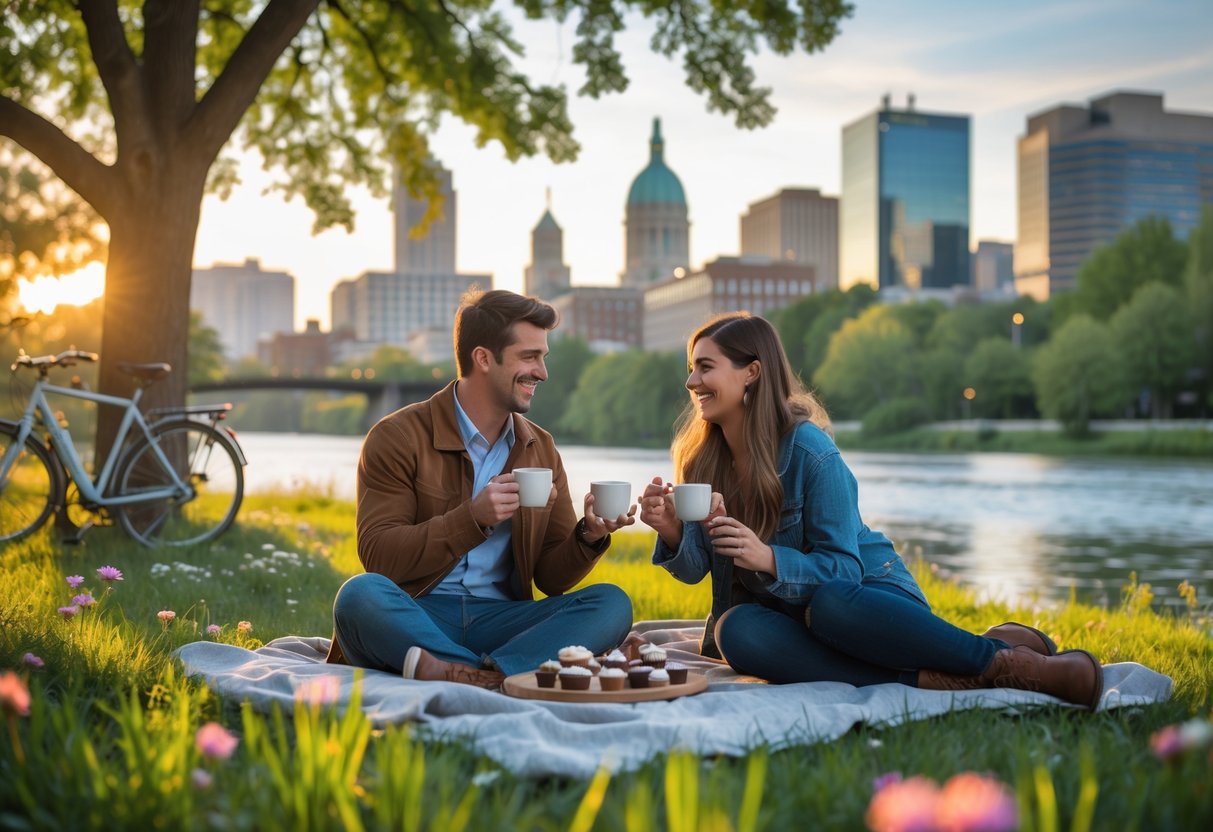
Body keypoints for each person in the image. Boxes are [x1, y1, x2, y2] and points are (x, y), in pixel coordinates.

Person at [638, 312, 1104, 710]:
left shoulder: (811, 453)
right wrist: (675, 531)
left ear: (751, 372)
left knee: (831, 604)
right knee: (735, 630)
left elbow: (844, 569)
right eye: (691, 368)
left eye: (705, 367)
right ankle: (932, 676)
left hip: (862, 602)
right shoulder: (703, 459)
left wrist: (769, 559)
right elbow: (699, 568)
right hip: (783, 619)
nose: (691, 381)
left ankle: (1004, 663)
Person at [327, 289, 636, 689]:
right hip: (420, 612)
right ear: (483, 358)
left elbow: (552, 580)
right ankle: (505, 672)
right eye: (530, 357)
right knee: (359, 596)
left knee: (611, 604)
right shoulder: (397, 436)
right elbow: (379, 558)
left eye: (543, 357)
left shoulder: (540, 447)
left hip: (503, 619)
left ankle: (465, 672)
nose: (542, 372)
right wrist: (473, 518)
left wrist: (588, 536)